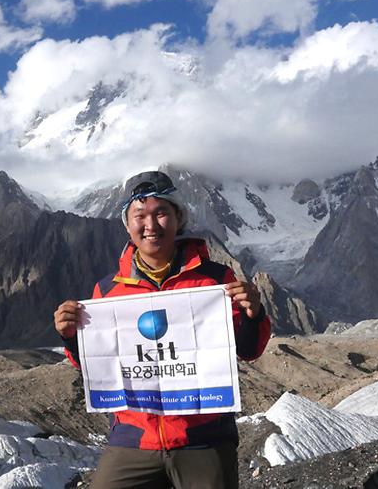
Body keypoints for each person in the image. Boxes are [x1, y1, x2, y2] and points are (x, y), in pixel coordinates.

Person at [54, 170, 271, 489]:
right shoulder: (107, 291)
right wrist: (72, 337)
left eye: (161, 213)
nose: (151, 225)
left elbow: (249, 350)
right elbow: (94, 363)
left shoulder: (215, 280)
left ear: (178, 218)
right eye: (139, 215)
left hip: (202, 437)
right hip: (133, 439)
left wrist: (253, 314)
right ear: (127, 224)